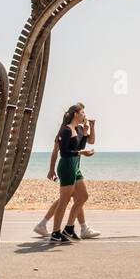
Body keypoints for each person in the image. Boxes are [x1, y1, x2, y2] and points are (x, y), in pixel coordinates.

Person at [33, 103, 101, 242]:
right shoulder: (66, 130)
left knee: (83, 196)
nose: (85, 115)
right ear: (76, 114)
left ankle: (69, 228)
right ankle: (56, 233)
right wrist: (51, 169)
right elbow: (63, 152)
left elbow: (86, 144)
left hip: (75, 166)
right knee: (64, 201)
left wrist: (90, 129)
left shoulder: (80, 129)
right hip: (66, 166)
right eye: (82, 113)